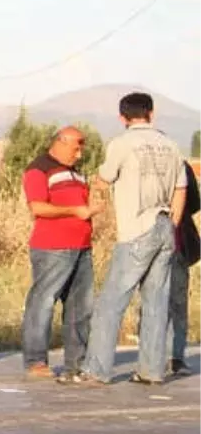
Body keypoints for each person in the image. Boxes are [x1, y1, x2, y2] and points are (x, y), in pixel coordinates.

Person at [79, 92, 187, 386]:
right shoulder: (170, 145)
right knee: (155, 303)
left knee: (111, 302)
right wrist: (172, 224)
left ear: (122, 117)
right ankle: (151, 371)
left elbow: (104, 178)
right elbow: (180, 189)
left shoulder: (122, 144)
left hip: (136, 228)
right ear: (151, 114)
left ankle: (96, 370)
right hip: (165, 225)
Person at [19, 126, 102, 380]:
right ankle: (35, 360)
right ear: (60, 141)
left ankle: (76, 363)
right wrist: (75, 211)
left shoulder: (75, 173)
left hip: (82, 247)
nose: (79, 154)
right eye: (76, 147)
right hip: (53, 247)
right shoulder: (39, 169)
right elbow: (38, 207)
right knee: (42, 302)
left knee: (81, 307)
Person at [167, 159, 200, 376]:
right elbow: (196, 203)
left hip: (143, 240)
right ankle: (176, 357)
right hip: (177, 244)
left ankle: (153, 356)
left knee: (155, 303)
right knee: (178, 304)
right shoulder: (180, 164)